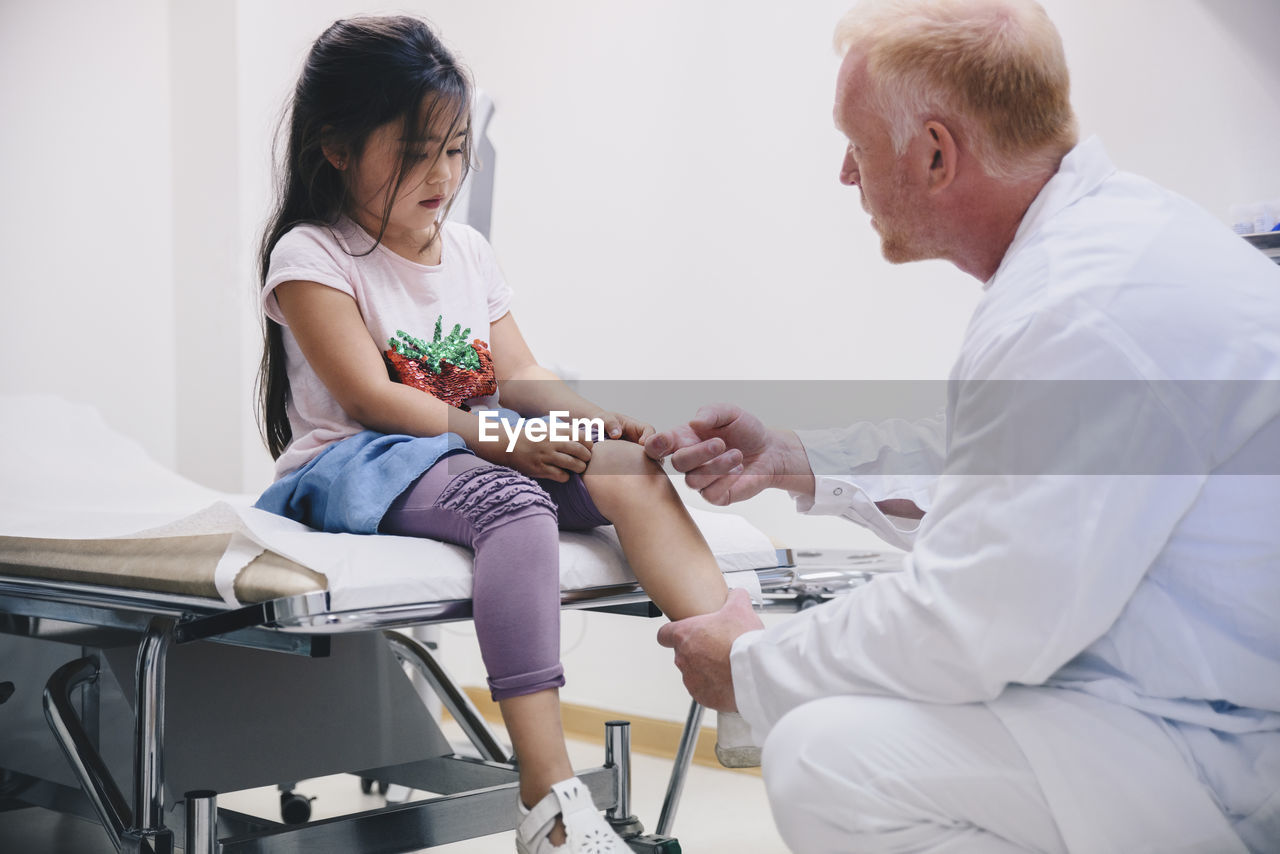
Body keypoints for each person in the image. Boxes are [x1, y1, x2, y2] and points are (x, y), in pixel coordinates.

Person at [646, 1, 1280, 852]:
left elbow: (976, 620)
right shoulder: (1114, 245)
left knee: (825, 757)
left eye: (858, 144)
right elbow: (1012, 478)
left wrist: (756, 667)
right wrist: (798, 461)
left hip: (1210, 752)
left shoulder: (1076, 309)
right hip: (1189, 705)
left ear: (937, 153)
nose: (845, 173)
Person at [251, 17, 738, 854]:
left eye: (455, 149)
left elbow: (518, 374)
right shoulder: (312, 254)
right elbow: (370, 398)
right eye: (415, 152)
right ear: (334, 146)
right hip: (363, 459)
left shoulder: (468, 251)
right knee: (513, 508)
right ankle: (546, 794)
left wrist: (586, 417)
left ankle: (743, 681)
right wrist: (499, 441)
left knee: (628, 466)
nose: (442, 174)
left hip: (472, 434)